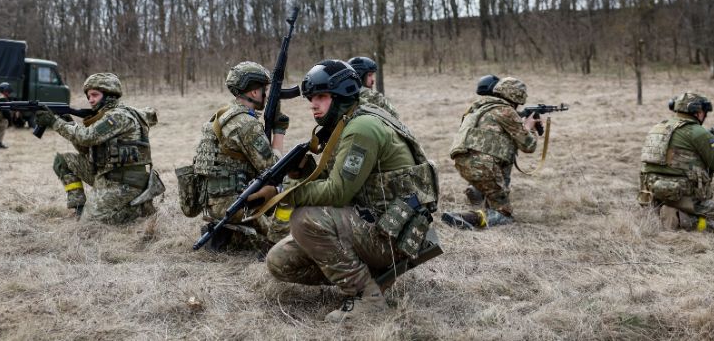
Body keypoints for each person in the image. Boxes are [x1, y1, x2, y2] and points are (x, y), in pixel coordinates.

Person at [264, 59, 439, 322]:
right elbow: (333, 177)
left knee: (305, 219)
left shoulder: (362, 128)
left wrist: (284, 194)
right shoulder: (346, 122)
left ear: (342, 94)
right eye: (312, 98)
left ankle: (367, 298)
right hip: (373, 222)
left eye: (321, 97)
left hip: (391, 236)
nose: (313, 104)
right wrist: (299, 172)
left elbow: (337, 192)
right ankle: (367, 275)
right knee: (279, 260)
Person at [185, 61, 289, 252]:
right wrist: (279, 131)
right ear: (253, 92)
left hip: (215, 203)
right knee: (285, 229)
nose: (267, 94)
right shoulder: (246, 124)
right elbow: (274, 169)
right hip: (234, 205)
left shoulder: (221, 115)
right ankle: (239, 236)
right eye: (264, 89)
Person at [35, 72, 164, 223]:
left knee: (90, 225)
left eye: (94, 95)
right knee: (63, 161)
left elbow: (87, 137)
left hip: (126, 183)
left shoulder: (118, 116)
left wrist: (55, 123)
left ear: (109, 94)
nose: (90, 100)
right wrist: (68, 124)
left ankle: (135, 208)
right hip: (106, 175)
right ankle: (79, 209)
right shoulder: (104, 115)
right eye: (88, 96)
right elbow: (85, 148)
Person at [443, 75, 539, 230]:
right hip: (485, 167)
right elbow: (529, 146)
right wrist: (528, 127)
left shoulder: (477, 108)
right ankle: (464, 218)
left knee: (494, 173)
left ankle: (478, 189)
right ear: (517, 97)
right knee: (503, 214)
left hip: (462, 163)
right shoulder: (506, 111)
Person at [638, 92, 714, 236]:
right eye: (704, 112)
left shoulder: (658, 127)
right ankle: (681, 218)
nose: (705, 116)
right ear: (697, 112)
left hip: (652, 193)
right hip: (685, 196)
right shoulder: (698, 132)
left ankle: (665, 212)